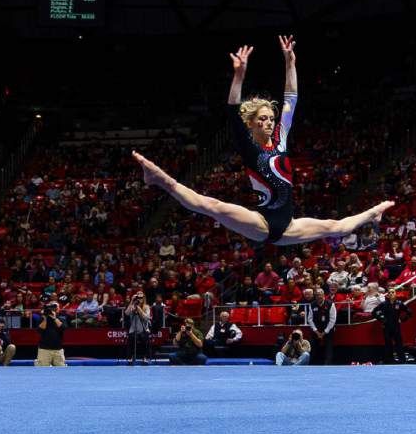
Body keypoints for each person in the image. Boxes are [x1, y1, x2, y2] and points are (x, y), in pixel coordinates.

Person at [132, 36, 393, 246]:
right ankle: (159, 179)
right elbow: (233, 111)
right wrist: (239, 76)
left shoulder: (280, 139)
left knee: (335, 227)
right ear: (252, 123)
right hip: (261, 223)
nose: (270, 122)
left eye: (271, 118)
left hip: (289, 227)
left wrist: (290, 62)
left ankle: (375, 212)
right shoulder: (250, 148)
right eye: (264, 119)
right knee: (212, 206)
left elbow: (291, 98)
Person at [372, 288, 411, 364]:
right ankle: (389, 361)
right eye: (389, 292)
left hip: (396, 327)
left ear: (395, 294)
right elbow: (374, 312)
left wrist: (402, 319)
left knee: (399, 344)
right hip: (386, 327)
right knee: (388, 344)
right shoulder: (383, 304)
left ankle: (402, 361)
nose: (391, 293)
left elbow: (409, 312)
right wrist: (381, 319)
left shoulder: (399, 303)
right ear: (388, 295)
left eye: (393, 292)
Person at [307, 288, 336, 364]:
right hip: (316, 329)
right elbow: (310, 319)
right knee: (312, 346)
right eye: (316, 295)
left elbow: (332, 320)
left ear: (323, 295)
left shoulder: (330, 304)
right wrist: (316, 331)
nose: (318, 297)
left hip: (328, 328)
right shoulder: (312, 304)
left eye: (320, 295)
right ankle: (311, 363)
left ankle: (328, 364)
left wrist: (324, 332)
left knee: (328, 346)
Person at [35, 301, 67, 367]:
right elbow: (40, 330)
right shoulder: (42, 318)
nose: (53, 310)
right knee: (41, 371)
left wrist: (54, 318)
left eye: (55, 307)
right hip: (44, 350)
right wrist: (46, 318)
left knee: (62, 372)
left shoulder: (61, 319)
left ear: (58, 309)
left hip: (58, 350)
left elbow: (63, 328)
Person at [124, 291, 152, 365]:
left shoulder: (146, 307)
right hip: (133, 329)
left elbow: (147, 318)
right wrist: (132, 301)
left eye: (141, 298)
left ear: (143, 298)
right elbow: (126, 313)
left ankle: (145, 357)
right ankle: (130, 357)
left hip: (143, 329)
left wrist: (139, 309)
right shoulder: (132, 306)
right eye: (138, 297)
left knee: (144, 339)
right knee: (131, 339)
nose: (139, 299)